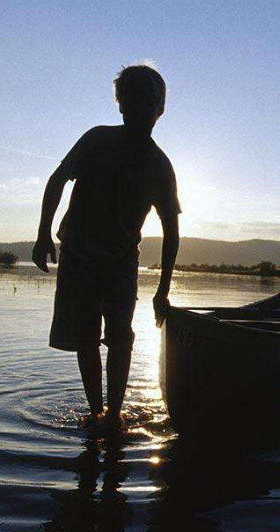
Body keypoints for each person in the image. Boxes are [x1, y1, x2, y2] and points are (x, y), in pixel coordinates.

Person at [32, 63, 180, 431]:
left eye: (148, 104)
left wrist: (163, 292)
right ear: (120, 105)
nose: (141, 110)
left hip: (119, 261)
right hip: (79, 255)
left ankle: (111, 414)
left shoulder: (160, 165)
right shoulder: (96, 140)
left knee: (119, 339)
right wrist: (42, 235)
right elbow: (57, 181)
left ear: (159, 111)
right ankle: (99, 413)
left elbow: (172, 231)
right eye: (134, 102)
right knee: (86, 337)